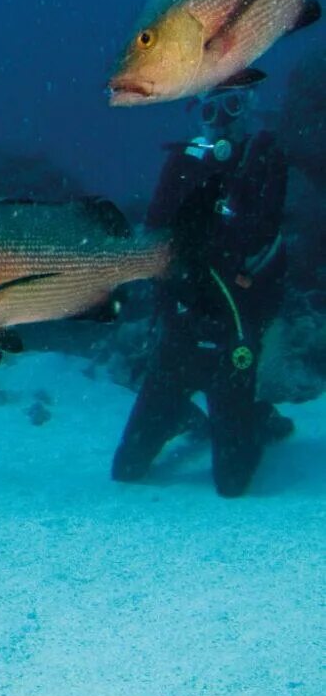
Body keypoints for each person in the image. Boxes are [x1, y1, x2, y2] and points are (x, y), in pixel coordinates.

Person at [111, 83, 295, 497]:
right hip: (180, 334)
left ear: (249, 107)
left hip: (233, 333)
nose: (222, 119)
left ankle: (254, 421)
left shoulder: (264, 157)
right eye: (209, 111)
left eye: (231, 105)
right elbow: (155, 229)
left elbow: (260, 230)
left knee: (232, 483)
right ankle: (187, 418)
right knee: (127, 467)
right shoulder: (181, 161)